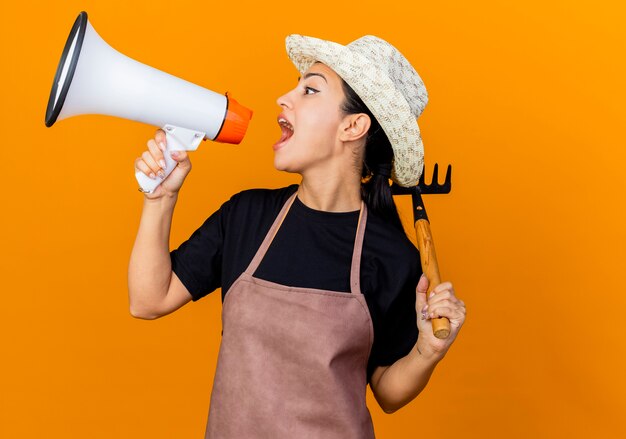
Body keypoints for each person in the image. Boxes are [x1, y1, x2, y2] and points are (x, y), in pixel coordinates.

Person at [128, 34, 466, 438]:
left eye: (309, 89)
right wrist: (160, 198)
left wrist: (427, 351)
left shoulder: (391, 255)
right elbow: (148, 300)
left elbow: (388, 392)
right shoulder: (246, 216)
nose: (283, 99)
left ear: (353, 126)